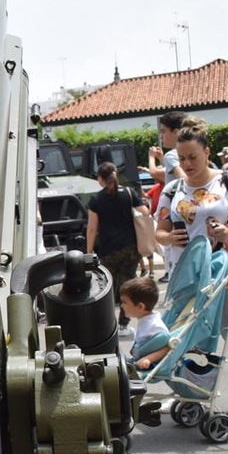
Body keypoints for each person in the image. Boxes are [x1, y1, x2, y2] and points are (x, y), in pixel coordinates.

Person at [154, 116, 228, 421]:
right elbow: (160, 231)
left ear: (207, 152)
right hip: (185, 274)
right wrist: (169, 237)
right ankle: (188, 392)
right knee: (184, 334)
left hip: (225, 271)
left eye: (192, 157)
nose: (187, 164)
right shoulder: (172, 189)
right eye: (181, 158)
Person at [86, 161, 147, 338]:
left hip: (108, 250)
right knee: (127, 287)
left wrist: (89, 250)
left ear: (100, 179)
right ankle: (123, 325)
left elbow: (92, 228)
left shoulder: (96, 200)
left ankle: (106, 326)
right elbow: (145, 212)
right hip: (130, 248)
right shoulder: (129, 193)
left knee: (107, 288)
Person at [146, 110, 188, 282]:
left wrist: (151, 158)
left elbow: (179, 178)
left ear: (176, 132)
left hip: (176, 214)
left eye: (163, 131)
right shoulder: (177, 155)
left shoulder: (172, 154)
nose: (161, 136)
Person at [120, 276, 170, 371]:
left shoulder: (155, 327)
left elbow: (168, 347)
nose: (122, 306)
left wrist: (148, 359)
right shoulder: (146, 320)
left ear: (140, 306)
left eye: (124, 302)